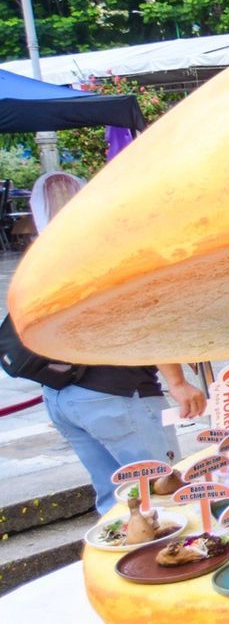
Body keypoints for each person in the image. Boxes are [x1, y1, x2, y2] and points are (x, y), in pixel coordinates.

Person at [15, 174, 203, 514]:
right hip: (116, 394)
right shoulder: (101, 257)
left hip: (61, 396)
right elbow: (146, 321)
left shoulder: (36, 262)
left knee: (114, 498)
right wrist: (176, 382)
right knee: (163, 492)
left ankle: (122, 558)